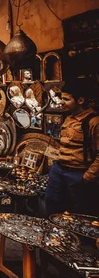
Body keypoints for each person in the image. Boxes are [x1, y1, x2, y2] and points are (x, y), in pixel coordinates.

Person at [45, 80, 99, 216]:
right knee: (52, 205)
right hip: (59, 169)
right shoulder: (69, 118)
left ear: (80, 100)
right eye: (61, 98)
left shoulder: (93, 122)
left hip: (78, 173)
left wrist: (86, 178)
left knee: (77, 213)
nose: (62, 102)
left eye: (66, 99)